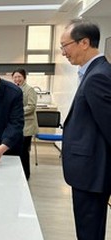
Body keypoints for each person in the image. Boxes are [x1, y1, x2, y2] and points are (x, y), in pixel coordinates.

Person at [60, 19, 111, 240]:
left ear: (84, 42)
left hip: (92, 171)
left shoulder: (97, 76)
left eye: (65, 46)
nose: (63, 53)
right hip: (90, 170)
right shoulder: (95, 71)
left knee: (89, 231)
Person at [12, 68, 38, 180]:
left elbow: (31, 106)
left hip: (27, 125)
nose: (17, 79)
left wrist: (18, 111)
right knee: (17, 151)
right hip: (18, 125)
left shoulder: (29, 89)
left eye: (19, 77)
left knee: (24, 152)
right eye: (15, 77)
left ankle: (26, 175)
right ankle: (19, 173)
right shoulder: (14, 89)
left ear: (24, 77)